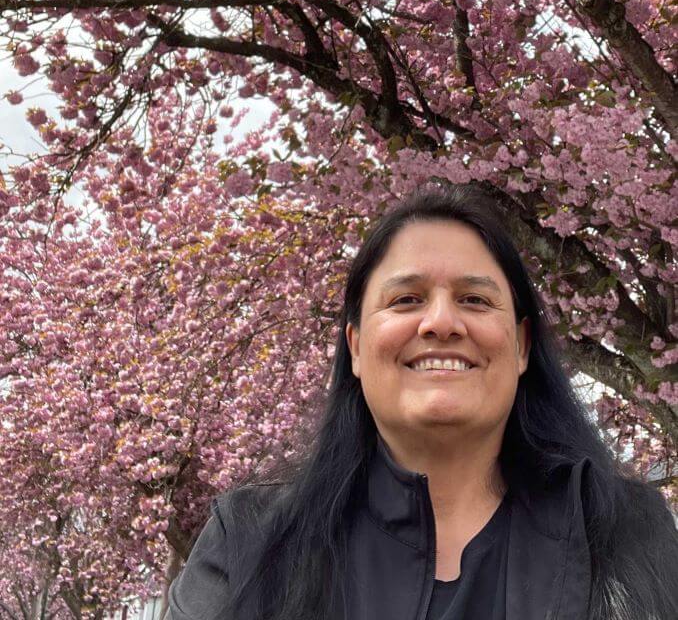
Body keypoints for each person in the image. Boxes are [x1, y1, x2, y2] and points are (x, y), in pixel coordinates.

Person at [167, 184, 678, 620]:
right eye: (406, 299)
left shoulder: (624, 531)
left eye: (475, 299)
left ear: (522, 346)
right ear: (356, 348)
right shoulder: (250, 542)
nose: (441, 323)